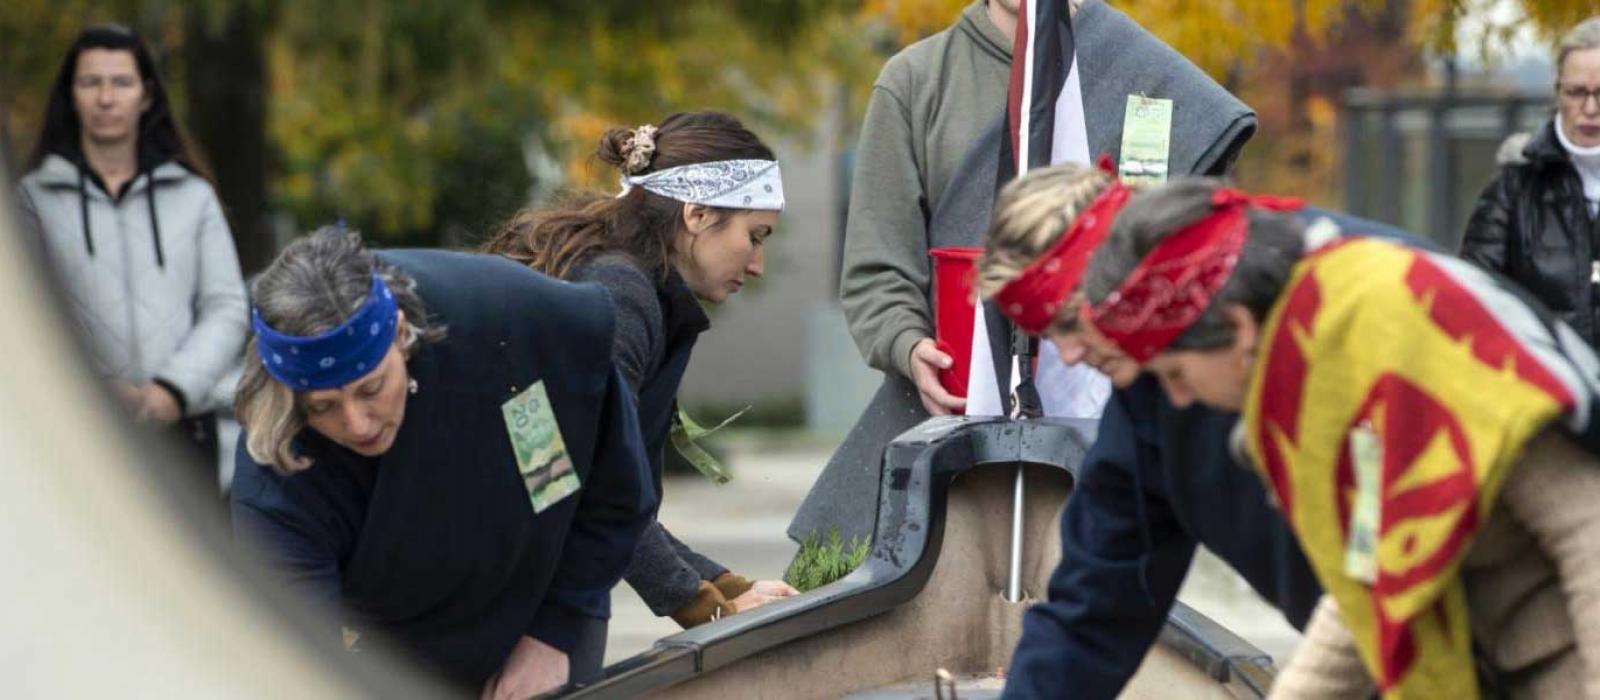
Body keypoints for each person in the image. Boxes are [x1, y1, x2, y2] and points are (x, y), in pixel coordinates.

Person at [1077, 179, 1600, 698]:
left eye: (1175, 373)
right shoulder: (1308, 367)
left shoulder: (1398, 322)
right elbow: (1369, 579)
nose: (1179, 398)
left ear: (1237, 328)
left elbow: (1586, 525)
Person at [792, 0, 1257, 547]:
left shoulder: (1140, 72)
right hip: (952, 421)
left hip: (1109, 420)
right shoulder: (915, 81)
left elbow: (1193, 236)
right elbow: (878, 266)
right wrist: (907, 344)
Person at [230, 229, 656, 696]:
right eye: (323, 406)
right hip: (384, 642)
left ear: (399, 338)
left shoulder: (512, 329)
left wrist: (554, 633)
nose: (356, 424)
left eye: (371, 389)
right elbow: (292, 647)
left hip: (544, 598)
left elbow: (616, 497)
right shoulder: (278, 456)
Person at [483, 112, 799, 640]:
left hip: (508, 576)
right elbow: (586, 479)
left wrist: (723, 586)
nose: (758, 263)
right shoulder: (620, 294)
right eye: (755, 235)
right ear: (697, 214)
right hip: (503, 592)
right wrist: (705, 606)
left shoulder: (616, 277)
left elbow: (598, 489)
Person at [16, 24, 247, 476]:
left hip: (185, 430)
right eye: (90, 82)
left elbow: (228, 306)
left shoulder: (193, 196)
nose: (106, 98)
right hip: (77, 431)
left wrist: (172, 389)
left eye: (121, 82)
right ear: (71, 95)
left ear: (146, 95)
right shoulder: (32, 199)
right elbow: (24, 313)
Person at [1462, 16, 1600, 347]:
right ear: (1558, 94)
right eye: (1576, 92)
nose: (1590, 108)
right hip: (1550, 393)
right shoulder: (1513, 191)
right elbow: (1472, 307)